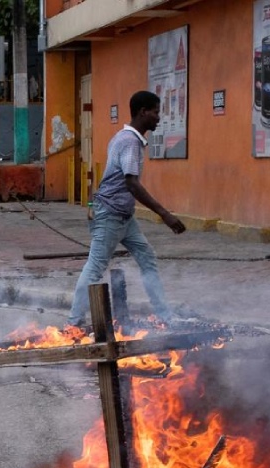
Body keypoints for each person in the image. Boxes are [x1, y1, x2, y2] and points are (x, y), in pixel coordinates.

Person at [69, 90, 187, 329]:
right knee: (95, 268)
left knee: (147, 258)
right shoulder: (130, 142)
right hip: (110, 215)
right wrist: (164, 214)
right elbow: (131, 183)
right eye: (155, 112)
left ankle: (166, 316)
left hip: (123, 216)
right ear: (143, 112)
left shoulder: (124, 138)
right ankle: (73, 323)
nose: (158, 118)